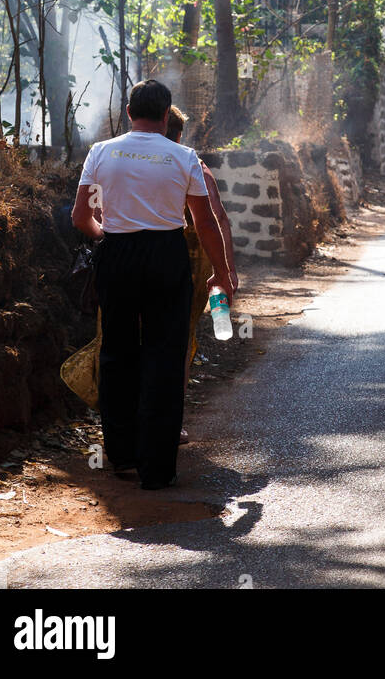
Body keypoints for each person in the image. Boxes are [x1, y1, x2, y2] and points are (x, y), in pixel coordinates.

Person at [71, 79, 234, 489]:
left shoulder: (101, 152)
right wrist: (222, 272)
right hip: (167, 256)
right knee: (165, 355)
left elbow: (80, 218)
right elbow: (204, 222)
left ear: (128, 112)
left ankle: (122, 456)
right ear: (166, 116)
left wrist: (104, 236)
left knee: (117, 354)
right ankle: (157, 469)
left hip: (118, 256)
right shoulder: (184, 156)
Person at [165, 105, 238, 444]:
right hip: (187, 267)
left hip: (126, 263)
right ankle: (169, 422)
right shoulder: (190, 164)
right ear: (179, 134)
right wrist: (225, 271)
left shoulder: (118, 158)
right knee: (176, 344)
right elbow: (214, 220)